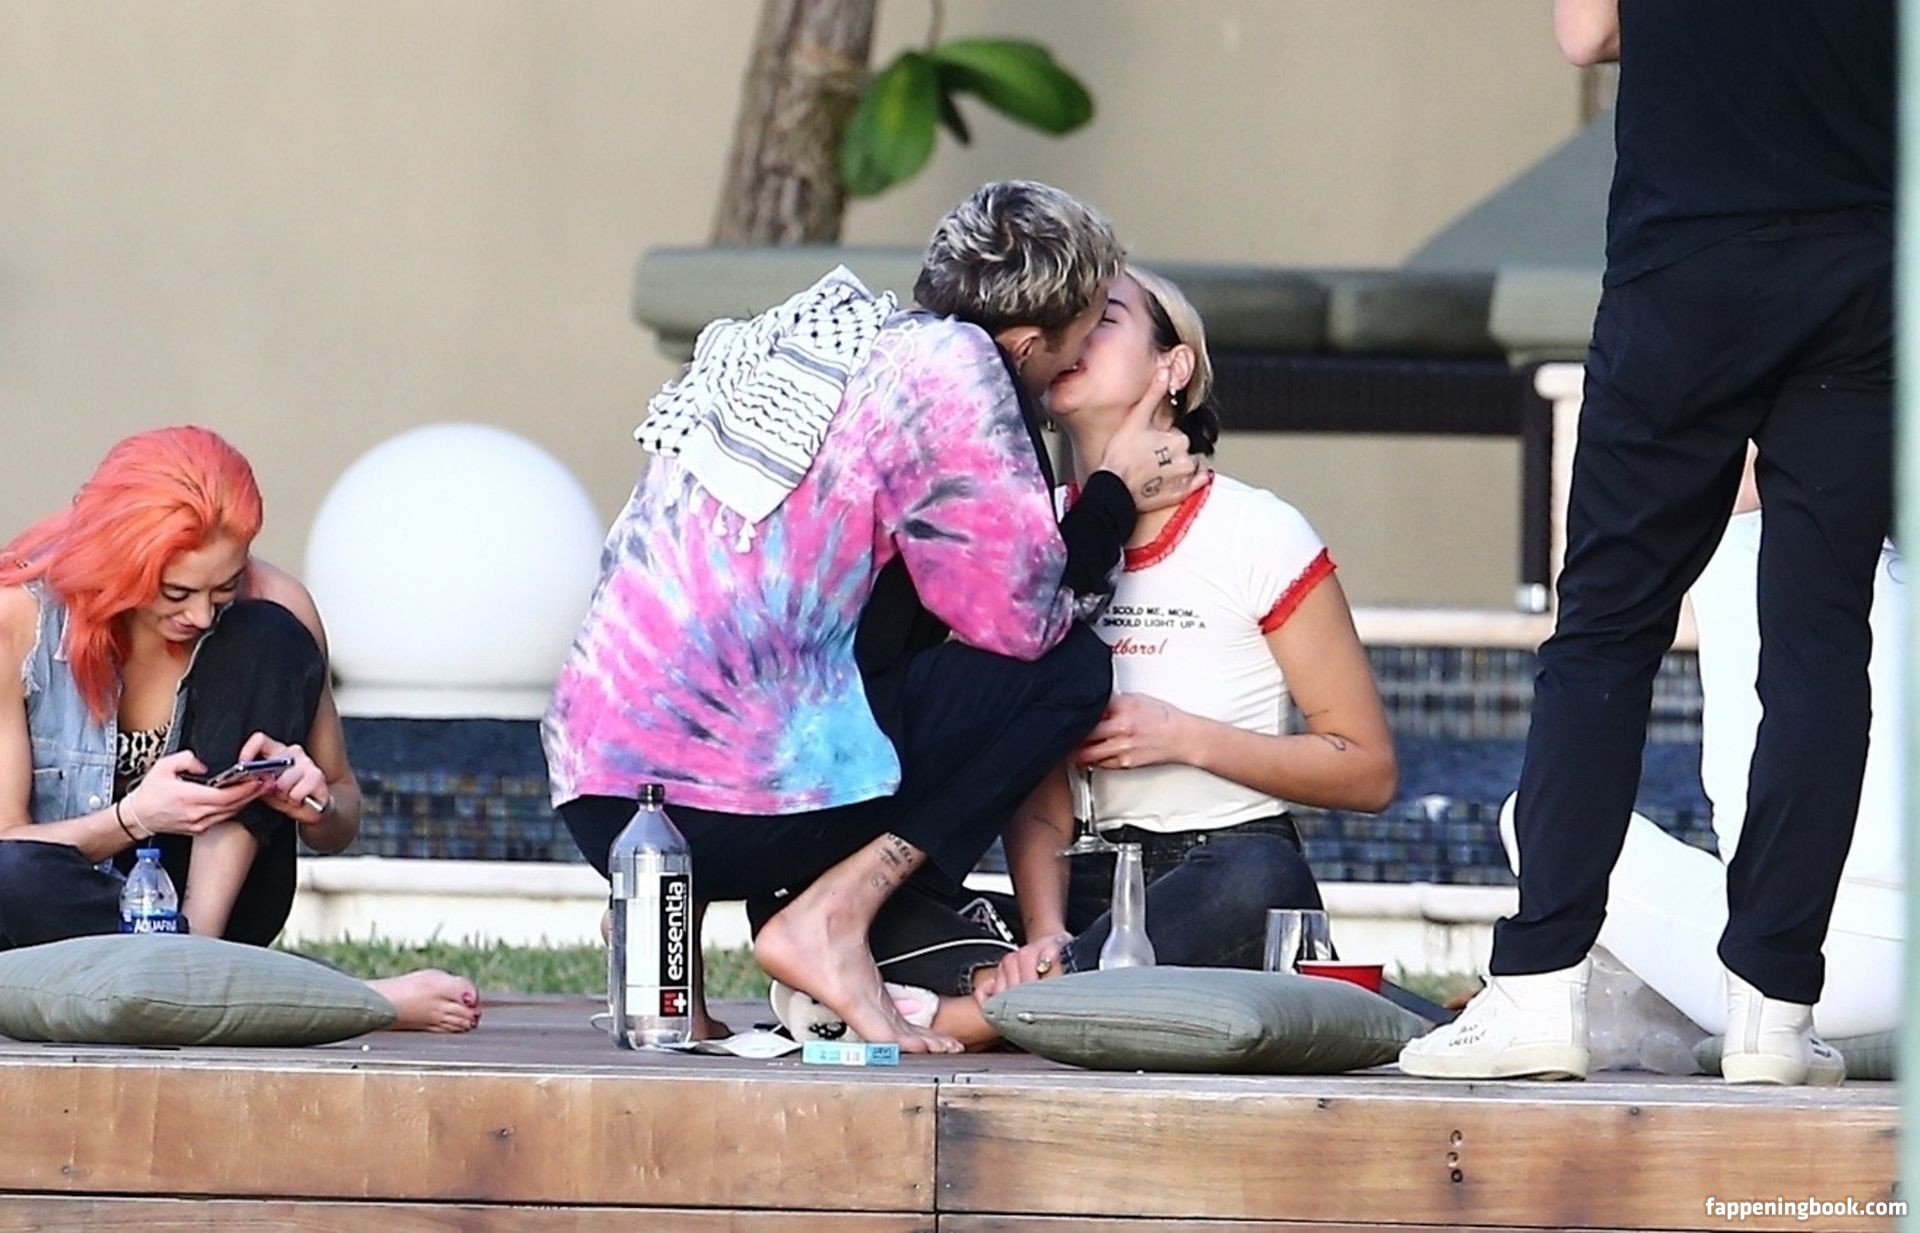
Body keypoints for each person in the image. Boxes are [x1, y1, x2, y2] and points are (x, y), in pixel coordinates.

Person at [544, 181, 1203, 1052]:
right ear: (1028, 342)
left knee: (810, 623)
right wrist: (1111, 494)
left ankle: (676, 978)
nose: (1075, 361)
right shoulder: (956, 368)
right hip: (732, 809)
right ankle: (834, 918)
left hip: (606, 804)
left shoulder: (818, 345)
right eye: (1080, 338)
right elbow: (1023, 622)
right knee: (1067, 669)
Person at [1401, 0, 1893, 1085]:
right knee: (1819, 640)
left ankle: (1539, 989)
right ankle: (1774, 1013)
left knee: (1607, 632)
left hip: (1690, 257)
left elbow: (1585, 35)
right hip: (1865, 260)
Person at [859, 269, 1396, 1049]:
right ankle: (1064, 988)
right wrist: (1046, 931)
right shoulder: (1035, 539)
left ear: (1173, 366)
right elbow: (1036, 793)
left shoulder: (1258, 529)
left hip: (1216, 879)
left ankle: (985, 1014)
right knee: (867, 893)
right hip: (1086, 894)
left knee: (1262, 881)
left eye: (1104, 316)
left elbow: (1367, 769)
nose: (1075, 331)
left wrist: (1183, 735)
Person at [0, 427, 480, 1033]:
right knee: (9, 874)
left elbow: (341, 819)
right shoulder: (20, 620)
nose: (201, 614)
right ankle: (322, 996)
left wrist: (314, 801)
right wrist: (137, 816)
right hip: (65, 913)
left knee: (268, 632)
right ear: (120, 564)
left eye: (223, 588)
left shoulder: (277, 604)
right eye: (175, 592)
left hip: (220, 913)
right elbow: (11, 841)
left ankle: (196, 967)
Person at [1500, 454, 1904, 1043]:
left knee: (1531, 818)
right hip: (1830, 951)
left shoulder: (1734, 520)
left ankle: (1617, 1014)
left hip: (1814, 974)